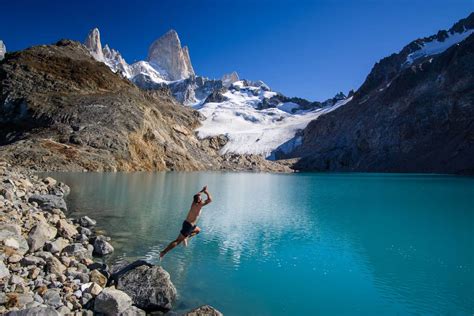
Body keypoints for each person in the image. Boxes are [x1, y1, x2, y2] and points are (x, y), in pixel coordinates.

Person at [160, 185, 212, 259]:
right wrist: (206, 192)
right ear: (199, 200)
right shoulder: (199, 205)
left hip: (189, 224)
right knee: (178, 241)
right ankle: (163, 252)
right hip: (188, 226)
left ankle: (186, 237)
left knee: (198, 230)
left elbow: (197, 195)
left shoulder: (194, 203)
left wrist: (202, 190)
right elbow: (210, 200)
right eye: (201, 199)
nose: (202, 199)